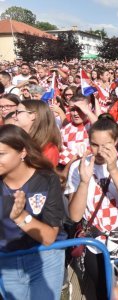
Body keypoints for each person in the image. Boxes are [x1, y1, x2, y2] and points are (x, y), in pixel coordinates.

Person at [66, 114, 118, 299]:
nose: (99, 151)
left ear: (116, 141)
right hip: (94, 243)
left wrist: (113, 168)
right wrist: (84, 182)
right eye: (94, 144)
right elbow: (74, 215)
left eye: (105, 145)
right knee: (100, 290)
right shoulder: (78, 167)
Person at [0, 124, 66, 300]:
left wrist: (20, 216)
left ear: (22, 153)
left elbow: (49, 236)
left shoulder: (46, 179)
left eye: (1, 154)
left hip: (45, 258)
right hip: (6, 260)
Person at [13, 100, 62, 167]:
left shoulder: (48, 149)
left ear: (33, 115)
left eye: (18, 112)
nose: (13, 116)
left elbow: (46, 176)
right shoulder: (16, 140)